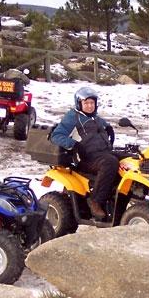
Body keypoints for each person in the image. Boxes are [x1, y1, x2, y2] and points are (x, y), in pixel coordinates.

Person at [50, 87, 116, 219]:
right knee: (110, 162)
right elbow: (56, 135)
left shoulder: (95, 118)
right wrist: (74, 144)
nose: (90, 106)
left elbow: (102, 124)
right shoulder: (72, 117)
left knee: (129, 159)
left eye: (92, 103)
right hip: (85, 158)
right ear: (79, 103)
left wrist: (108, 127)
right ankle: (95, 200)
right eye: (86, 103)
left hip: (102, 153)